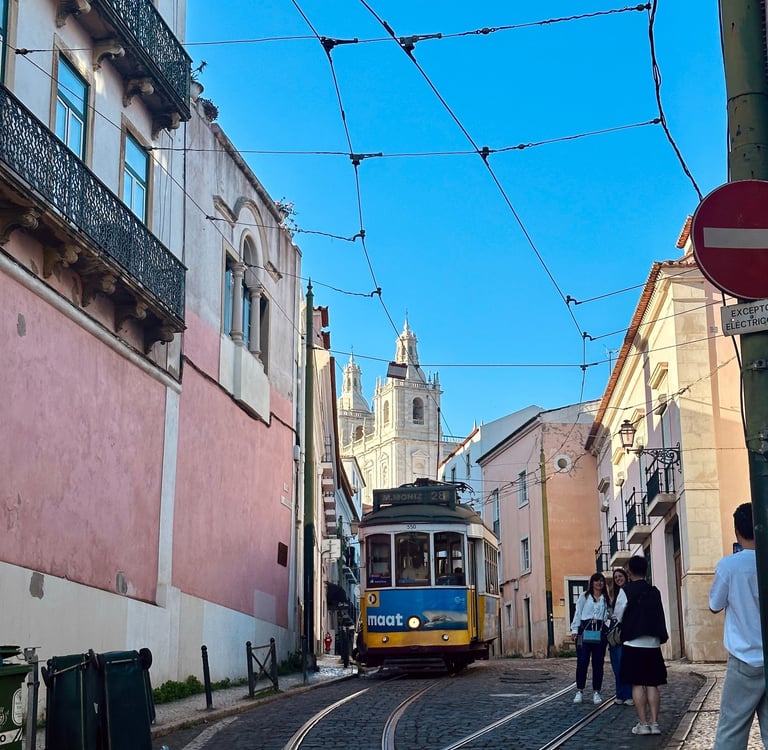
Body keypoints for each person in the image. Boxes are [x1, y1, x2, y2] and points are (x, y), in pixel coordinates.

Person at [710, 502, 768, 748]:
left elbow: (715, 604)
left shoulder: (729, 567)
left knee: (731, 732)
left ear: (737, 531)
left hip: (744, 659)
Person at [617, 555, 668, 736]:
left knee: (638, 684)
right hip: (652, 643)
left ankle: (643, 723)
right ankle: (655, 723)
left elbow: (618, 616)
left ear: (630, 571)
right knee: (653, 684)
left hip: (633, 642)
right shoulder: (654, 591)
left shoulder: (626, 591)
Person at [569, 572, 610, 704]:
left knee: (598, 663)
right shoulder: (584, 597)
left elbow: (609, 614)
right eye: (596, 581)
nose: (599, 583)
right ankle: (579, 690)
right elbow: (578, 613)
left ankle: (596, 692)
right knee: (582, 661)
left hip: (599, 631)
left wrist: (606, 626)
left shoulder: (605, 598)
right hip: (584, 630)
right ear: (592, 583)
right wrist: (574, 630)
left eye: (601, 581)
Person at [608, 568, 633, 706]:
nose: (618, 579)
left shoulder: (629, 591)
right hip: (614, 633)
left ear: (626, 576)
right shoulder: (616, 594)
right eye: (616, 577)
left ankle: (628, 694)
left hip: (624, 633)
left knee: (624, 665)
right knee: (616, 665)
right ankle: (619, 694)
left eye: (620, 576)